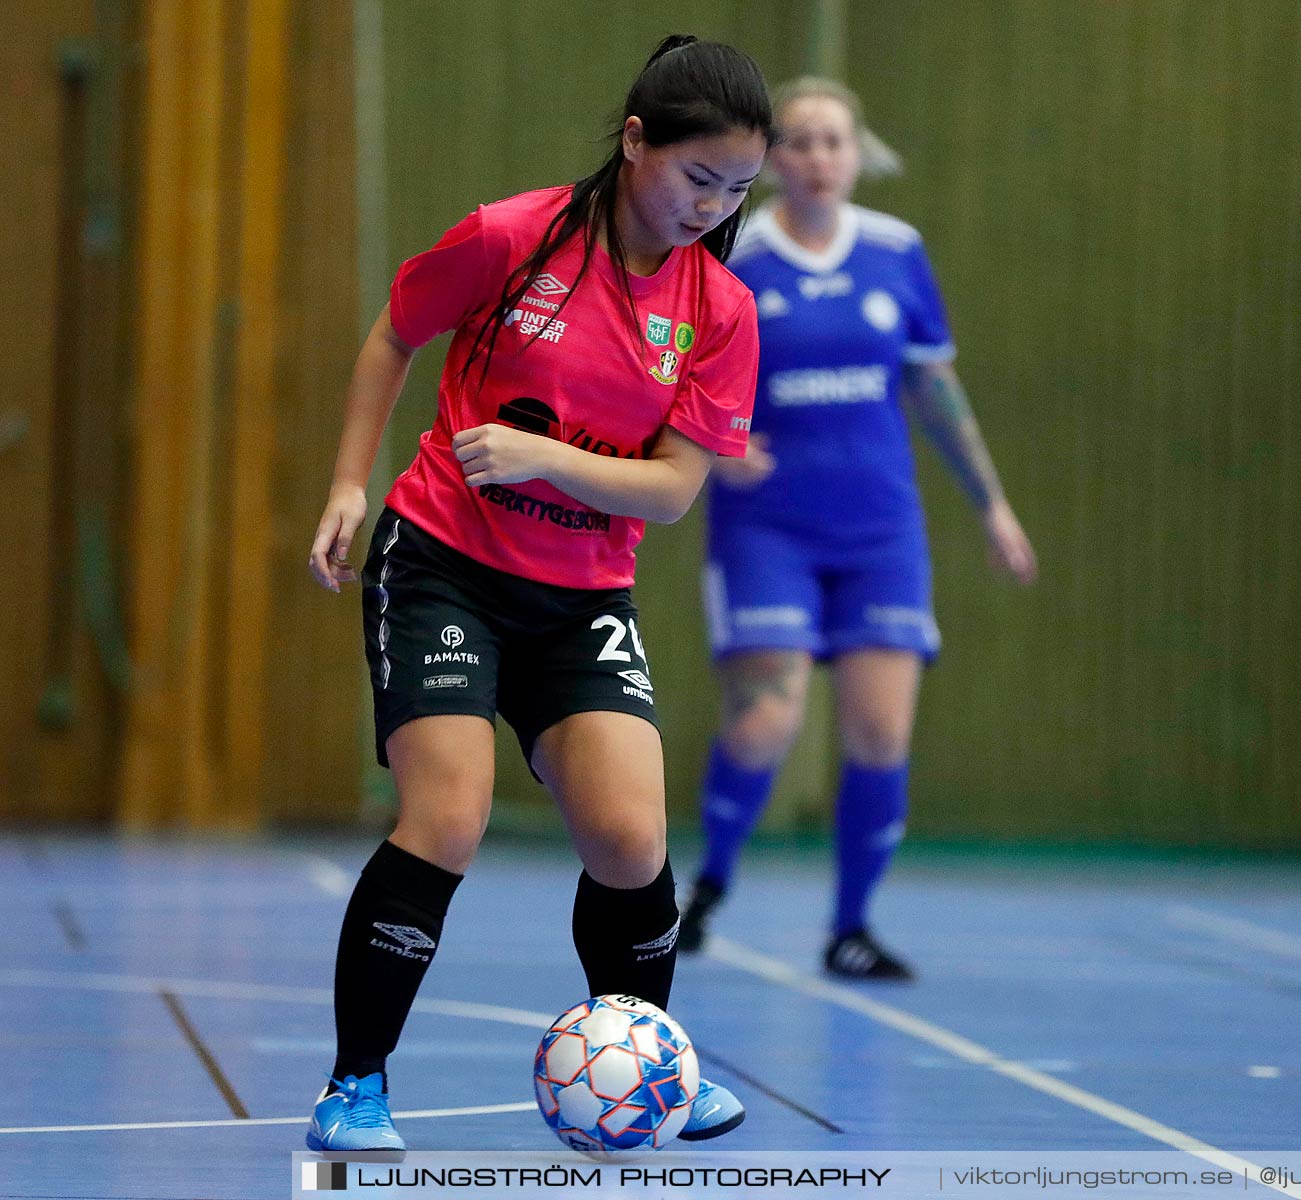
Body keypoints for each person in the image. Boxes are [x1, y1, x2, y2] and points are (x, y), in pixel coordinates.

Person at [302, 35, 773, 1152]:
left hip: (580, 595)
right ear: (633, 140)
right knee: (447, 817)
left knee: (627, 841)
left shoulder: (718, 312)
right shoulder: (510, 238)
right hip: (444, 566)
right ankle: (355, 1086)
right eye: (696, 177)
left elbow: (668, 493)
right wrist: (346, 486)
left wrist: (546, 464)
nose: (712, 206)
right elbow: (394, 332)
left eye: (736, 190)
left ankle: (649, 1060)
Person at [678, 78, 1037, 981]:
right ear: (771, 159)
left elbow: (937, 390)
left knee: (879, 735)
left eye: (833, 141)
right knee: (766, 722)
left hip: (879, 531)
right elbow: (664, 377)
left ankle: (851, 926)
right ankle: (708, 888)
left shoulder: (896, 253)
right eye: (797, 141)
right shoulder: (733, 261)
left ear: (856, 152)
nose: (817, 157)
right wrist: (714, 449)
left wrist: (991, 505)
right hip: (769, 529)